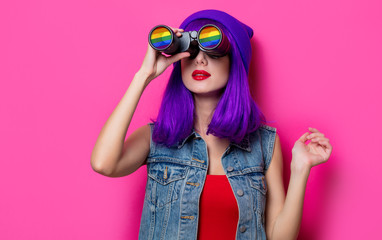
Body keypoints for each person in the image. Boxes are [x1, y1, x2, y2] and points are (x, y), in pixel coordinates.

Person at [91, 9, 333, 240]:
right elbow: (104, 164)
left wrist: (300, 169)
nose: (200, 61)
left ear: (234, 62)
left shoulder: (264, 143)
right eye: (192, 51)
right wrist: (144, 75)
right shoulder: (157, 138)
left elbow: (279, 236)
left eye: (214, 51)